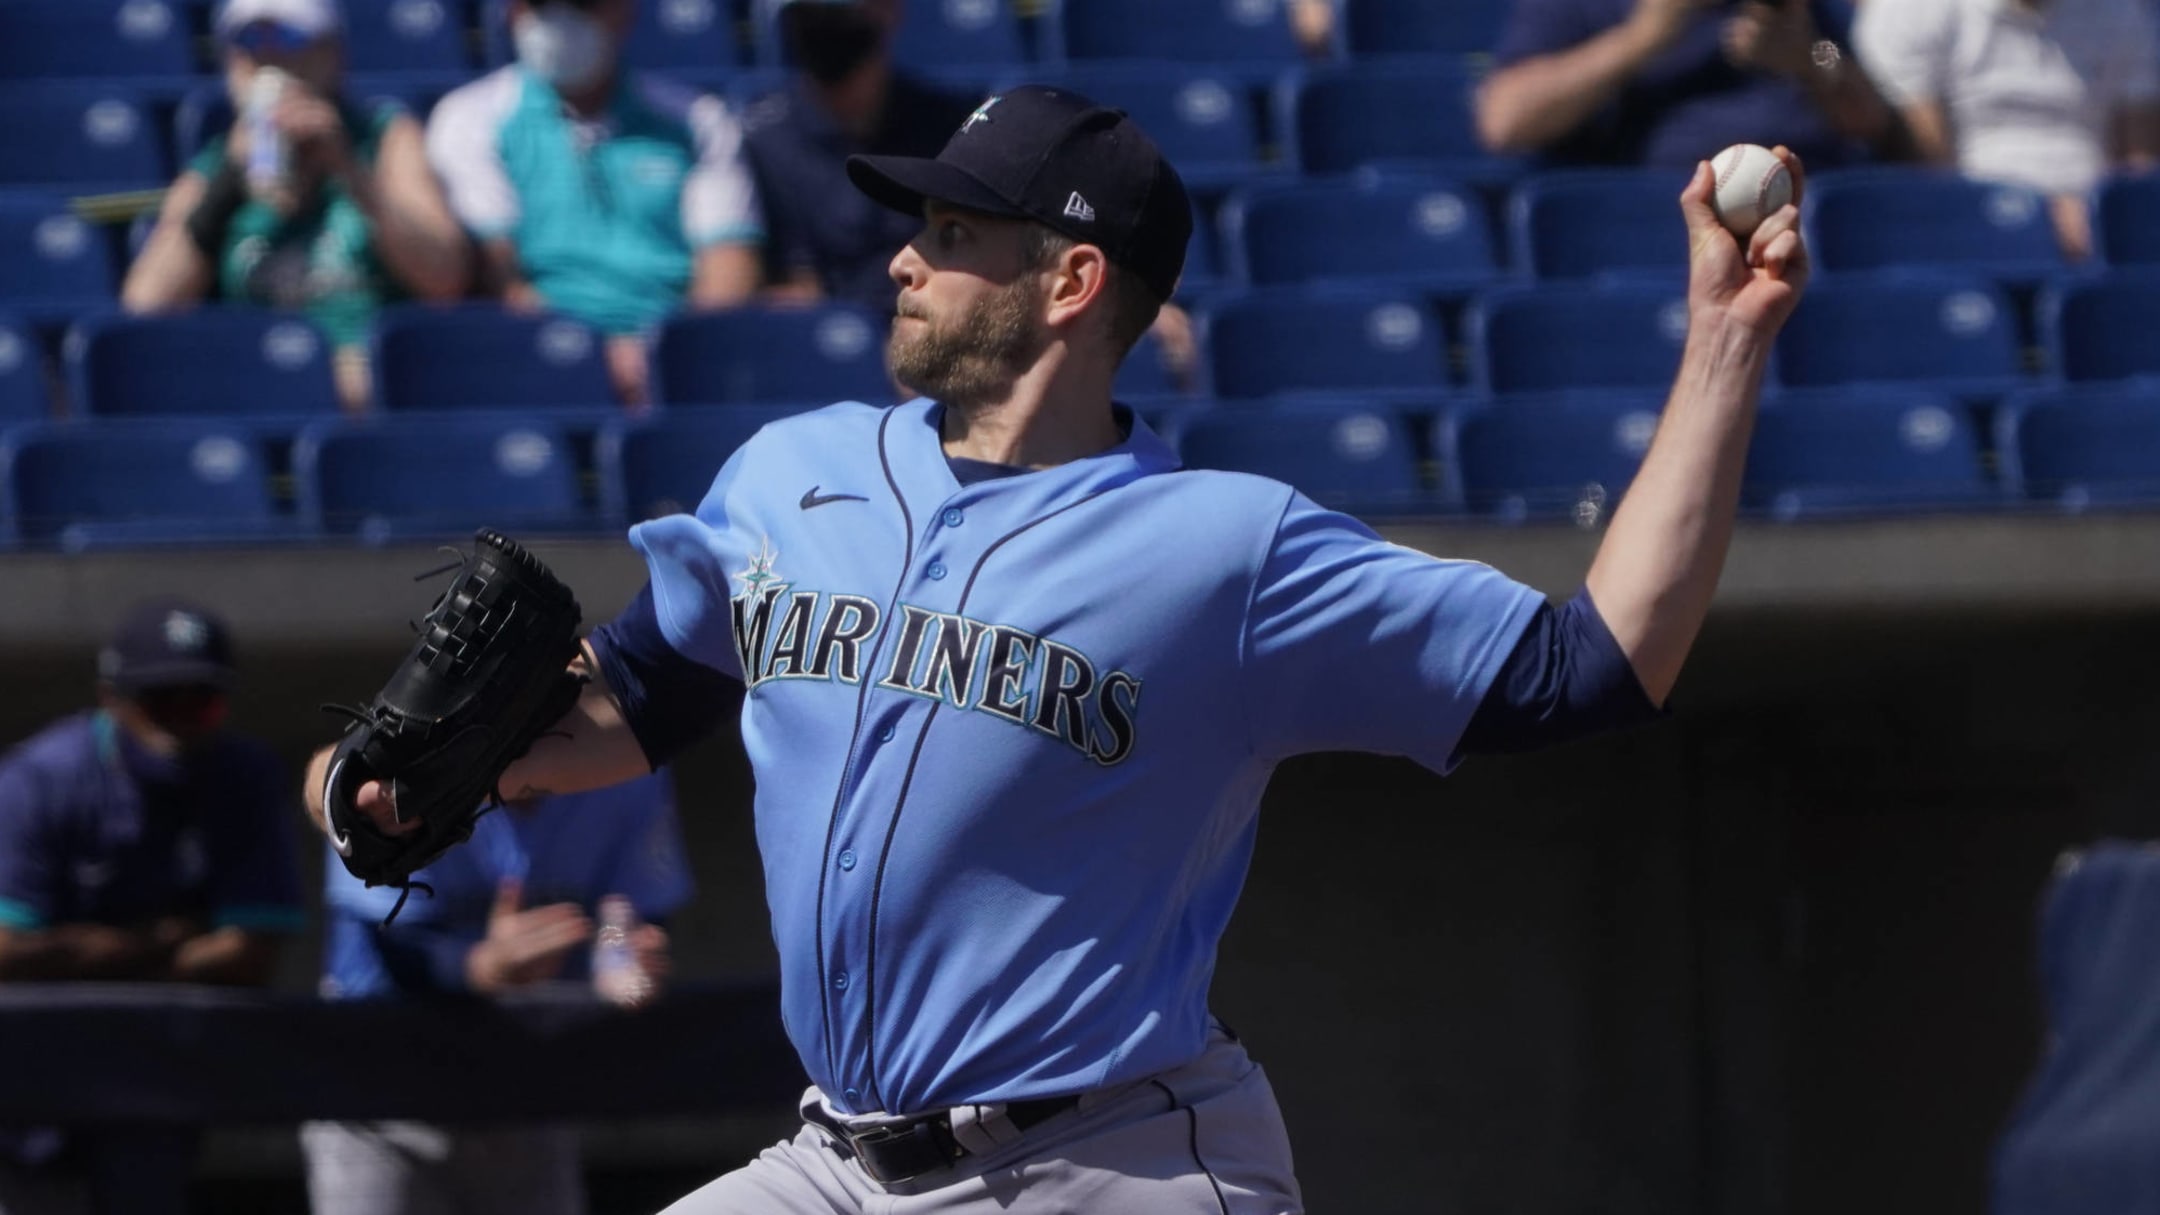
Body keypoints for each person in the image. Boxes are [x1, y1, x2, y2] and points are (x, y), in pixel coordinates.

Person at [304, 84, 1811, 1212]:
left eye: (955, 235)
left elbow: (1590, 665)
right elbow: (639, 696)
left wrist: (1726, 341)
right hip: (837, 1161)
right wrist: (437, 772)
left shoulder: (1226, 548)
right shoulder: (789, 470)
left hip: (1112, 1160)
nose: (905, 259)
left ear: (1072, 283)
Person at [0, 598, 307, 1215]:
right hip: (29, 1075)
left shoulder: (241, 774)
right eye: (160, 700)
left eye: (201, 702)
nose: (181, 721)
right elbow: (7, 954)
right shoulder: (43, 776)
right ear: (111, 696)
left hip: (153, 1074)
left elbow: (249, 956)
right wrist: (163, 942)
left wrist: (83, 955)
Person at [742, 0, 1197, 389]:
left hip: (961, 314)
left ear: (889, 10)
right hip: (847, 345)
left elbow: (1023, 234)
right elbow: (771, 289)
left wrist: (1122, 304)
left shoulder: (954, 121)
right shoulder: (761, 138)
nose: (825, 27)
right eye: (810, 12)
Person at [300, 771, 690, 1215]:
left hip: (525, 1087)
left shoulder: (628, 759)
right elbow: (391, 942)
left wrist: (624, 949)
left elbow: (635, 910)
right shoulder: (411, 751)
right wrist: (479, 965)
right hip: (383, 1093)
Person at [121, 0, 472, 413]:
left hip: (373, 392)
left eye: (290, 39)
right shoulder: (215, 169)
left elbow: (445, 277)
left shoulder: (384, 140)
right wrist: (228, 186)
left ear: (333, 54)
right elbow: (146, 309)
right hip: (257, 391)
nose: (269, 57)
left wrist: (350, 174)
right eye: (249, 41)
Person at [426, 0, 766, 408]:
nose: (562, 19)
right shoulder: (468, 118)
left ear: (626, 13)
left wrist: (669, 354)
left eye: (584, 5)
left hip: (679, 364)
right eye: (541, 5)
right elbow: (502, 276)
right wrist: (588, 355)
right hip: (536, 362)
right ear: (514, 13)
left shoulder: (697, 120)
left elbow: (728, 264)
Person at [1854, 0, 2160, 261]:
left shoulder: (2122, 10)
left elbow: (2138, 159)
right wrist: (2036, 218)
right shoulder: (1910, 11)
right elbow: (1931, 161)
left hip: (2098, 222)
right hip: (1973, 222)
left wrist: (2103, 214)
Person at [1478, 0, 1903, 169]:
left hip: (1808, 197)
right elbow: (1506, 119)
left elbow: (1872, 119)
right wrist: (1640, 40)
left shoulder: (1793, 6)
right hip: (1668, 216)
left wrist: (1809, 57)